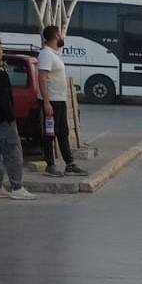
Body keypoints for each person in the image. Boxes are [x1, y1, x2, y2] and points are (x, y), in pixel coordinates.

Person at [37, 26, 87, 177]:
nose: (62, 37)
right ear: (56, 36)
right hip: (51, 101)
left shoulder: (54, 54)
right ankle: (50, 165)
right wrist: (46, 103)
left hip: (59, 100)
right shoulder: (46, 54)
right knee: (50, 133)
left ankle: (69, 164)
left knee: (62, 132)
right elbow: (42, 78)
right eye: (60, 34)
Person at [0, 38, 36, 200]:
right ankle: (17, 187)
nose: (2, 50)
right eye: (0, 47)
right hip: (3, 119)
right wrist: (11, 116)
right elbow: (3, 97)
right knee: (13, 151)